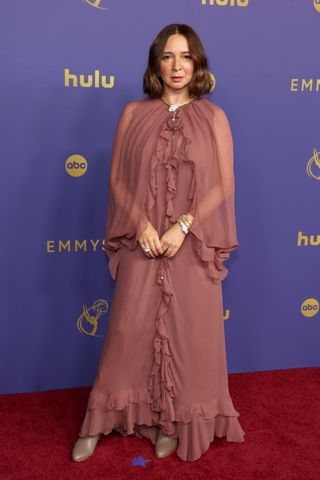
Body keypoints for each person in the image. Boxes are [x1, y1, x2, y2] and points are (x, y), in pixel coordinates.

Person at [71, 23, 245, 463]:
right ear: (155, 63)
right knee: (128, 332)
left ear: (198, 62)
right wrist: (141, 224)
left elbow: (222, 187)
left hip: (191, 245)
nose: (177, 65)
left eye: (186, 56)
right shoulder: (133, 114)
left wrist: (182, 225)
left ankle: (172, 423)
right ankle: (100, 420)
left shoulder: (215, 118)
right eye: (168, 56)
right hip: (142, 241)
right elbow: (115, 180)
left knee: (189, 338)